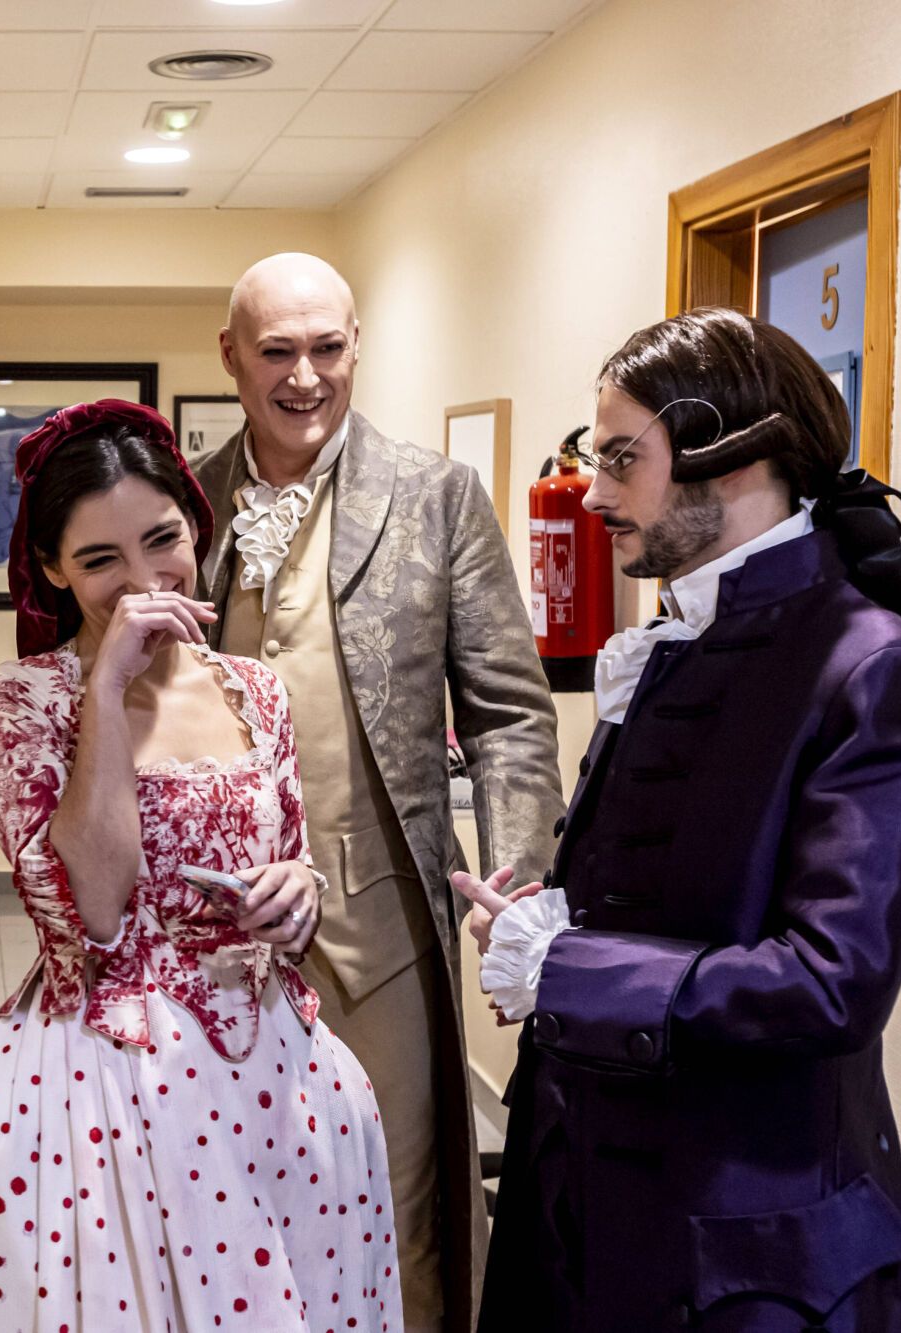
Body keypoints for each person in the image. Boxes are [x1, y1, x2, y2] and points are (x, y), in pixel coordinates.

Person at [458, 308, 901, 1332]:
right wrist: (546, 918)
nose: (593, 493)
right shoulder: (675, 635)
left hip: (736, 1244)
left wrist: (563, 966)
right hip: (579, 1208)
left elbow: (830, 982)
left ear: (733, 462)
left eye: (620, 459)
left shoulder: (870, 669)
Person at [0, 399, 402, 1332]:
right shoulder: (18, 703)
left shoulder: (256, 689)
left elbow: (288, 859)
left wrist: (299, 893)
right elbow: (93, 907)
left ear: (195, 526)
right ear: (49, 569)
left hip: (278, 1070)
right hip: (106, 1080)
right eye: (98, 561)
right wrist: (108, 687)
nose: (142, 580)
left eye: (162, 540)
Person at [195, 252, 562, 1333]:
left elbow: (507, 712)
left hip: (379, 918)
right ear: (231, 359)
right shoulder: (185, 497)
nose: (304, 376)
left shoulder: (433, 496)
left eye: (327, 347)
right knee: (222, 1195)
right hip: (210, 920)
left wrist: (515, 901)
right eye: (275, 352)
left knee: (387, 1197)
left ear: (356, 346)